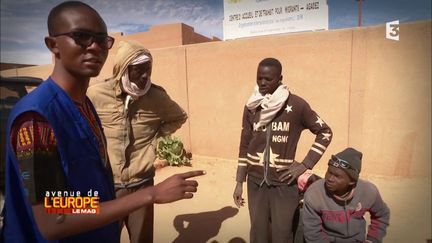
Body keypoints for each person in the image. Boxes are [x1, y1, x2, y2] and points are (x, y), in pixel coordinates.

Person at [1, 1, 204, 243]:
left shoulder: (84, 106)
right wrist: (149, 195)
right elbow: (54, 216)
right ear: (53, 45)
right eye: (81, 36)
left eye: (102, 39)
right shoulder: (37, 118)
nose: (95, 47)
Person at [87, 40, 188, 243]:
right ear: (123, 69)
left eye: (148, 69)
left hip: (142, 185)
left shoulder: (157, 97)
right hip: (107, 186)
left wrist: (155, 143)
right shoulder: (96, 94)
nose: (145, 76)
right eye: (138, 70)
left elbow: (179, 116)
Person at [233, 57, 333, 243]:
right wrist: (240, 181)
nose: (262, 83)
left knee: (282, 233)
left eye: (268, 79)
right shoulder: (252, 106)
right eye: (259, 78)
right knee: (258, 232)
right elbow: (244, 145)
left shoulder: (296, 105)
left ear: (280, 78)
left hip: (284, 183)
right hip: (255, 182)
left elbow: (325, 132)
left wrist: (305, 164)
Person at [303, 147, 390, 243]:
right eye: (329, 172)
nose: (330, 178)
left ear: (352, 181)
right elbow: (312, 234)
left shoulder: (368, 192)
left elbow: (382, 215)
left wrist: (372, 240)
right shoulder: (314, 194)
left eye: (337, 176)